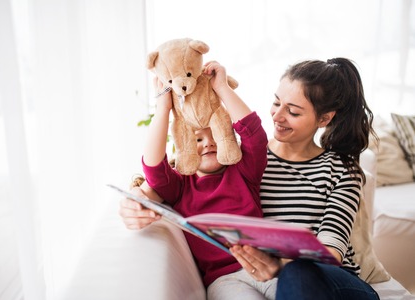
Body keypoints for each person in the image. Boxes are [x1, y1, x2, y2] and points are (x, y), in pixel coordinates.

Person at [119, 58, 380, 300]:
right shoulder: (238, 160)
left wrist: (277, 265)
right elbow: (165, 181)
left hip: (331, 282)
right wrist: (137, 200)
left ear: (324, 118)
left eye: (294, 112)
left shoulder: (342, 171)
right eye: (277, 102)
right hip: (254, 278)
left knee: (297, 272)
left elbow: (331, 252)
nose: (277, 116)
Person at [138, 61, 269, 292]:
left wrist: (222, 89)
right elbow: (153, 168)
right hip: (226, 281)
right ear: (184, 144)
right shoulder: (180, 186)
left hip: (268, 269)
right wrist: (163, 108)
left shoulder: (243, 171)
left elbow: (255, 137)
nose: (208, 142)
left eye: (216, 135)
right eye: (197, 139)